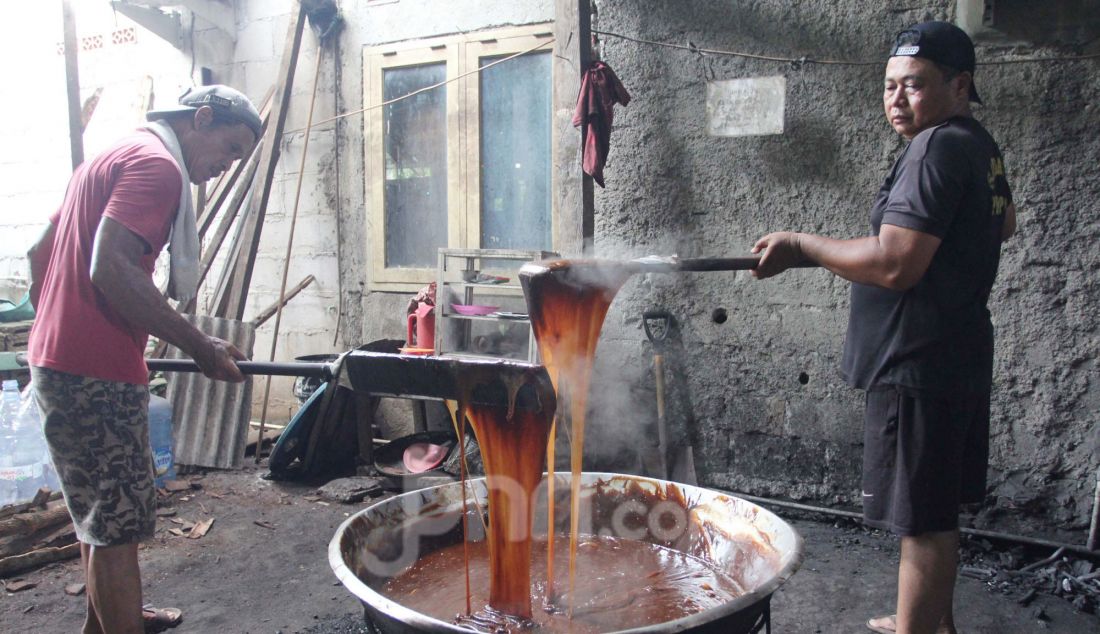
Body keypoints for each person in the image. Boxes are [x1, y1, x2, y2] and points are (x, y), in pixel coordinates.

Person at [750, 21, 1016, 634]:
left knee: (919, 519)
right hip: (956, 350)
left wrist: (801, 245)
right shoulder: (979, 144)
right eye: (890, 85)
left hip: (915, 359)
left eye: (914, 86)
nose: (897, 99)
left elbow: (896, 264)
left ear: (959, 84)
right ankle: (928, 622)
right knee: (935, 509)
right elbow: (1003, 225)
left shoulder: (937, 147)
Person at [25, 85, 261, 634]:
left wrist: (56, 323)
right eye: (228, 149)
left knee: (98, 518)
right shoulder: (159, 168)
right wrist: (201, 346)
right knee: (117, 525)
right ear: (201, 119)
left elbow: (41, 248)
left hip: (61, 360)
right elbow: (112, 268)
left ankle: (105, 619)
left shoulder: (112, 154)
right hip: (94, 371)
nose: (226, 167)